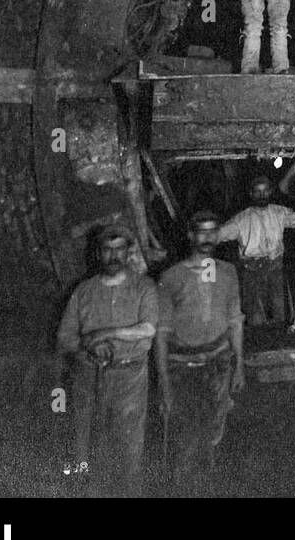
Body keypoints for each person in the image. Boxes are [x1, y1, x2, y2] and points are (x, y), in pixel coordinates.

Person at [56, 225, 159, 496]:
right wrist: (87, 349)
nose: (113, 256)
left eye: (119, 249)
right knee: (85, 449)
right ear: (98, 253)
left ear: (128, 252)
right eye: (107, 249)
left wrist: (104, 334)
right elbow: (65, 337)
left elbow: (148, 328)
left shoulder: (144, 287)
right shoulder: (83, 291)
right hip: (89, 380)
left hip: (130, 379)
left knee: (128, 452)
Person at [155, 211, 244, 493]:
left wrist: (239, 365)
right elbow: (161, 334)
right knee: (185, 439)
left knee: (214, 436)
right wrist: (165, 384)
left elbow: (234, 321)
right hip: (182, 367)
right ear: (190, 236)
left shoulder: (228, 272)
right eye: (201, 232)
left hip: (218, 364)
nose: (207, 238)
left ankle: (209, 488)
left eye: (212, 231)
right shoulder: (171, 277)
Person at [216, 175, 295, 327]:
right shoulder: (242, 219)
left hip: (276, 266)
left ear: (271, 191)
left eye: (265, 191)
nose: (262, 195)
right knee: (255, 316)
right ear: (251, 194)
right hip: (252, 270)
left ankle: (281, 344)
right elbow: (217, 235)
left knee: (280, 311)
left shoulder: (279, 212)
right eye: (257, 191)